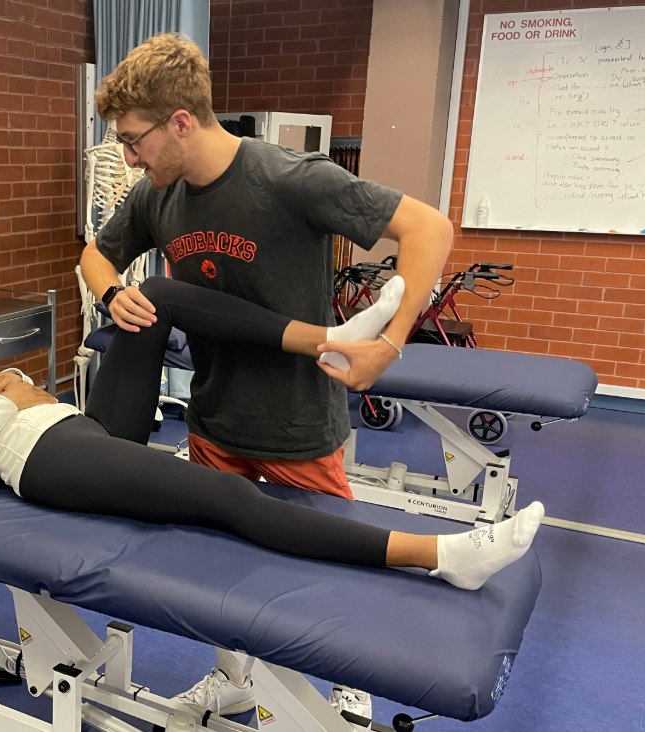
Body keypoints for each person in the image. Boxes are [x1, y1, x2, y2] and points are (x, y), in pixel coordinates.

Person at [79, 34, 456, 721]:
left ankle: (348, 682)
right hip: (215, 415)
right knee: (220, 567)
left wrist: (392, 344)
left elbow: (430, 227)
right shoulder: (155, 198)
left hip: (296, 422)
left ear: (182, 122)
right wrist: (111, 293)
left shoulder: (289, 177)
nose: (129, 157)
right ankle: (232, 676)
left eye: (136, 140)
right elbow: (93, 255)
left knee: (318, 564)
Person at [0, 278, 543, 610]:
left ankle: (330, 338)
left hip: (66, 423)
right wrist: (5, 412)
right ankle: (443, 557)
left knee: (158, 297)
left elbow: (2, 392)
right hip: (41, 460)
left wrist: (19, 384)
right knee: (221, 492)